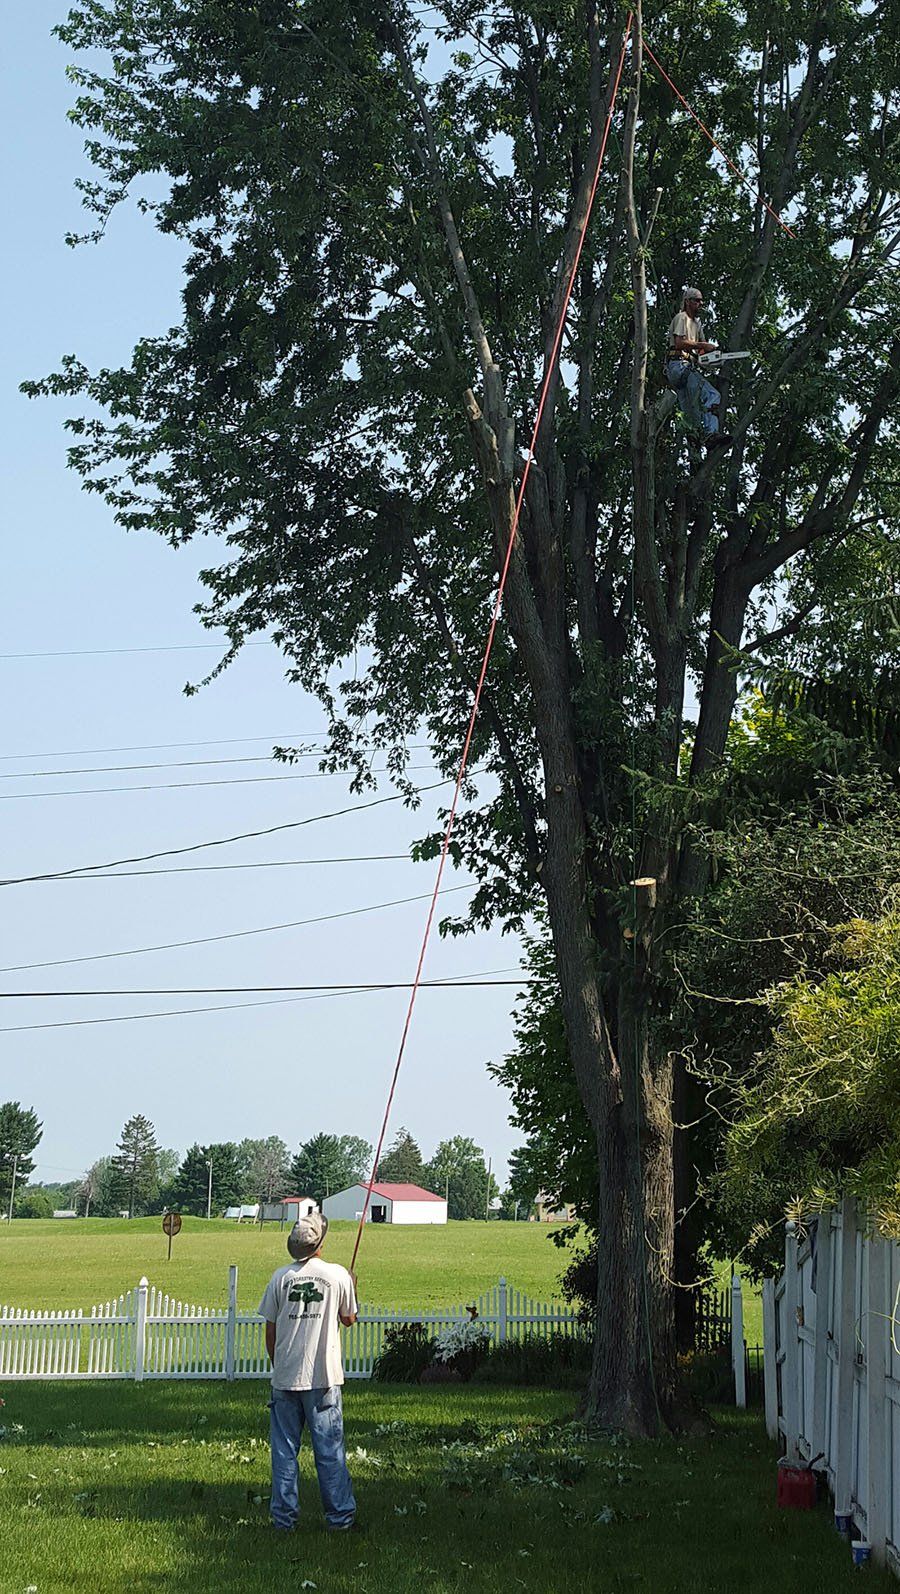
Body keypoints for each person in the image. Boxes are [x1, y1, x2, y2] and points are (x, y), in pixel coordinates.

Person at [259, 1211, 359, 1532]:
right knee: (329, 1451)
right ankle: (340, 1518)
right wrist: (354, 1286)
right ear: (321, 1243)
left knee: (285, 1453)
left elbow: (270, 1331)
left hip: (285, 1376)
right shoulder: (337, 1275)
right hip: (323, 1377)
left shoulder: (280, 1278)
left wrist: (279, 1366)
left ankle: (284, 1520)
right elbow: (349, 1319)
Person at [665, 286, 732, 449]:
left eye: (701, 300)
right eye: (696, 300)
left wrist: (715, 354)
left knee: (691, 417)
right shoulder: (682, 318)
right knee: (713, 395)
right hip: (679, 365)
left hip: (681, 370)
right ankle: (711, 433)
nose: (700, 303)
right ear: (687, 302)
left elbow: (701, 353)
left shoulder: (697, 324)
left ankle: (694, 456)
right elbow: (680, 343)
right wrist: (703, 345)